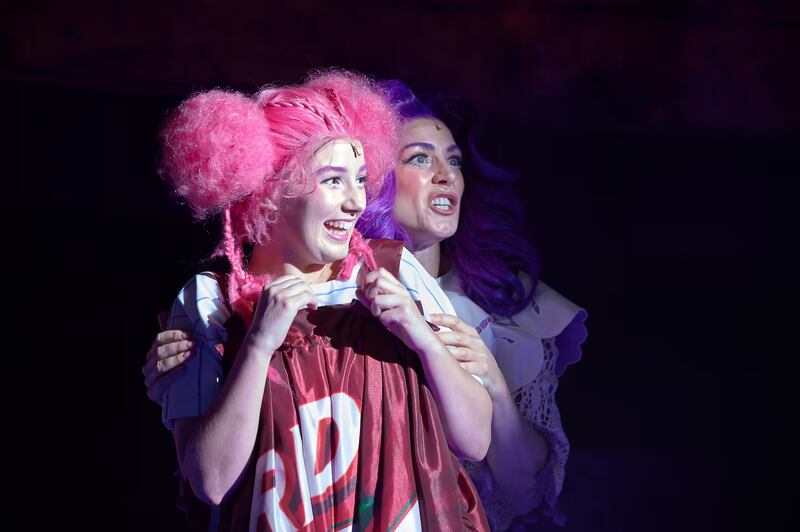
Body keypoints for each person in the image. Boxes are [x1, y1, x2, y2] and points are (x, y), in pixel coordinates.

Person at [147, 78, 587, 530]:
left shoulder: (392, 273)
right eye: (333, 181)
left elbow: (475, 441)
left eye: (360, 180)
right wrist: (258, 345)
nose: (357, 201)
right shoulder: (209, 300)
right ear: (272, 190)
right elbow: (211, 480)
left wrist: (422, 338)